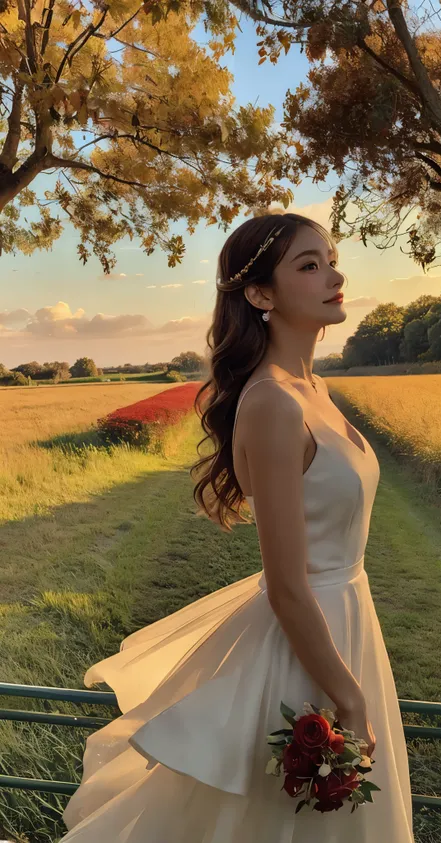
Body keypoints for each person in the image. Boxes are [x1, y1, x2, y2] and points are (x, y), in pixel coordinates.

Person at [59, 213, 415, 842]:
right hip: (308, 638)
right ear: (259, 294)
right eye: (308, 265)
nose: (334, 275)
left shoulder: (315, 390)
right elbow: (286, 584)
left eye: (330, 259)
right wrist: (349, 698)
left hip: (349, 618)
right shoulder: (274, 402)